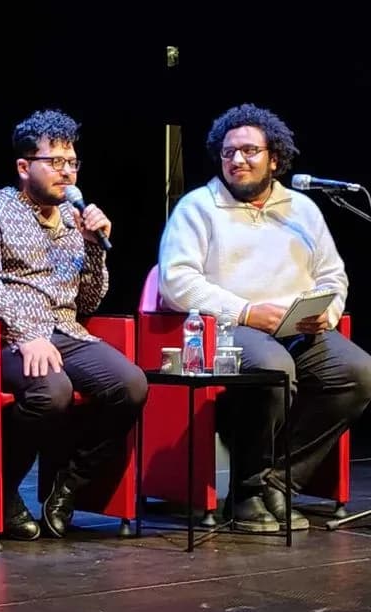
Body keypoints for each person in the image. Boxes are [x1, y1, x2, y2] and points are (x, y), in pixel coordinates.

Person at [159, 102, 371, 532]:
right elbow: (176, 282)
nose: (237, 160)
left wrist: (326, 313)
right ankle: (247, 491)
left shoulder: (301, 209)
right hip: (228, 328)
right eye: (228, 152)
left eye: (249, 151)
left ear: (274, 158)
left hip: (297, 327)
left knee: (356, 372)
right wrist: (247, 311)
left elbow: (332, 274)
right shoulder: (198, 208)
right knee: (273, 366)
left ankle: (279, 482)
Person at [0, 109, 148, 540]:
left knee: (130, 385)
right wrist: (26, 334)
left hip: (65, 330)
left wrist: (94, 247)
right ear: (24, 167)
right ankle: (1, 490)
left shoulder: (72, 220)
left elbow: (88, 301)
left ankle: (69, 485)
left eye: (72, 163)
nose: (67, 172)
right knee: (52, 391)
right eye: (55, 162)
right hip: (1, 334)